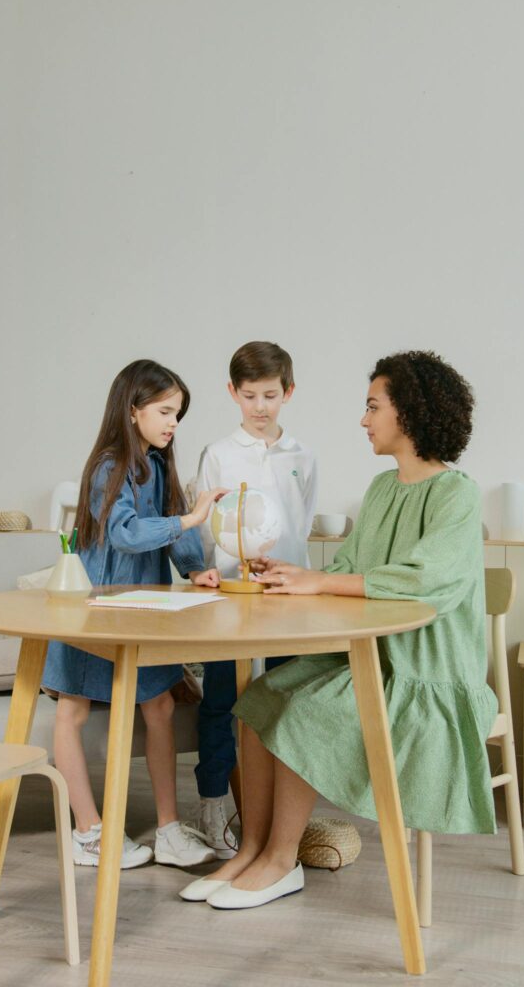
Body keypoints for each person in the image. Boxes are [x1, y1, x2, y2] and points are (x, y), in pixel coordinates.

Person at [179, 349, 498, 908]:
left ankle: (283, 862)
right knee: (257, 702)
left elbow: (428, 581)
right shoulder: (380, 490)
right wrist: (296, 576)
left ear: (410, 413)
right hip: (370, 657)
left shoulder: (457, 494)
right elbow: (350, 570)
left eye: (373, 406)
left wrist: (320, 584)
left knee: (304, 713)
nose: (363, 419)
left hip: (426, 672)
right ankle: (251, 851)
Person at [42, 359, 226, 869]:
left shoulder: (161, 464)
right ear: (133, 409)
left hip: (145, 612)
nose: (172, 423)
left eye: (178, 415)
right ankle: (88, 831)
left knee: (161, 707)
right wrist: (190, 517)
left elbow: (176, 527)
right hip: (94, 612)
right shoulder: (108, 466)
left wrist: (193, 570)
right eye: (165, 411)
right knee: (71, 712)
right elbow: (125, 532)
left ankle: (168, 830)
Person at [193, 340, 318, 857]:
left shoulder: (302, 456)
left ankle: (275, 816)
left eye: (270, 395)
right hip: (230, 597)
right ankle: (213, 801)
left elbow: (302, 525)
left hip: (287, 596)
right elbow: (204, 529)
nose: (260, 407)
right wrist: (210, 573)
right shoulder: (218, 456)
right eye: (250, 396)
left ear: (288, 392)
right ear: (232, 394)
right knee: (221, 698)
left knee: (288, 698)